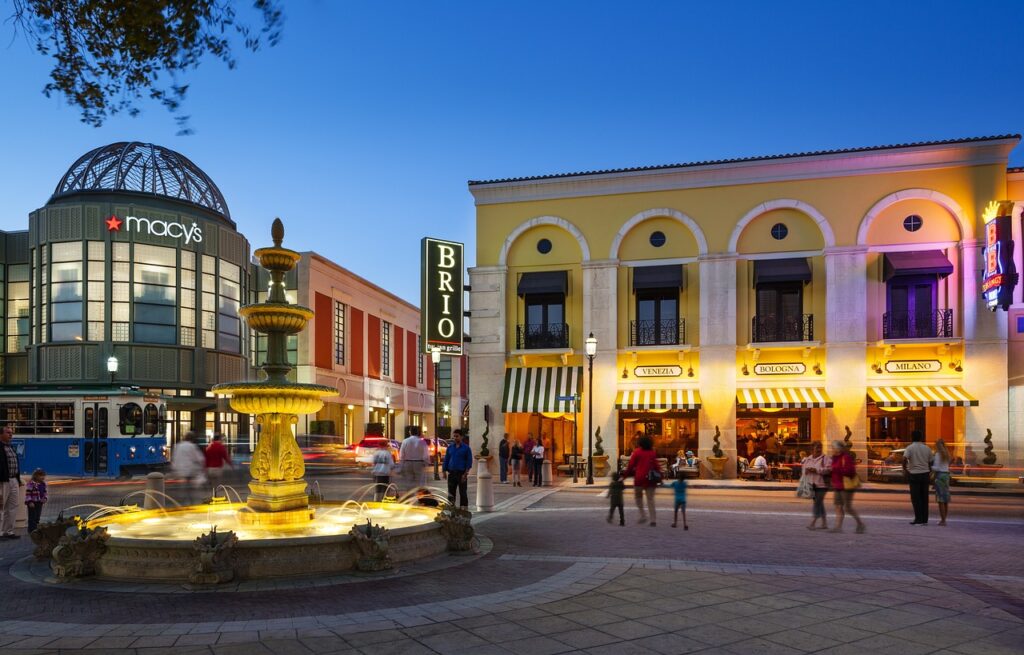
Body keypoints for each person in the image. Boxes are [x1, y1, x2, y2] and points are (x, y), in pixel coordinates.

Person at [623, 434, 661, 526]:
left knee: (638, 497)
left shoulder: (637, 452)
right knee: (650, 500)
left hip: (639, 478)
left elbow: (630, 466)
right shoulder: (652, 453)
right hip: (650, 479)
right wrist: (660, 477)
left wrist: (624, 476)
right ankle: (653, 520)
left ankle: (643, 515)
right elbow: (656, 466)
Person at [829, 440, 865, 534]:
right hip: (837, 485)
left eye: (833, 448)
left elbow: (850, 471)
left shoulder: (846, 457)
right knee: (838, 506)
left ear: (838, 449)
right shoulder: (834, 458)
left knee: (847, 507)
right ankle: (838, 527)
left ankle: (860, 524)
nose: (832, 449)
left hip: (846, 486)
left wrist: (836, 469)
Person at [903, 430, 932, 525]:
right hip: (925, 474)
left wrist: (906, 470)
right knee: (924, 497)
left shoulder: (910, 448)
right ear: (921, 437)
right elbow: (931, 461)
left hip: (914, 474)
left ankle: (918, 518)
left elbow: (904, 459)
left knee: (915, 498)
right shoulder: (927, 448)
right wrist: (929, 471)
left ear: (912, 437)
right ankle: (925, 519)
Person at [801, 442, 830, 530]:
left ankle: (813, 522)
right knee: (819, 503)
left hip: (823, 484)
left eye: (820, 447)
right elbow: (803, 471)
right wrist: (806, 471)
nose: (819, 449)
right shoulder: (808, 459)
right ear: (812, 449)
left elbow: (829, 469)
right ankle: (824, 523)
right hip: (812, 485)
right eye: (817, 447)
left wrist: (816, 470)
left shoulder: (825, 458)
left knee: (817, 502)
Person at [171, 431, 205, 505]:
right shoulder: (192, 446)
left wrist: (175, 470)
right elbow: (200, 459)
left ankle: (183, 504)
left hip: (180, 472)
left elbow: (175, 458)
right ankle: (193, 505)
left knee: (183, 491)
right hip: (190, 472)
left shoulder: (178, 445)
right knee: (193, 492)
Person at [1, 426, 23, 539]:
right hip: (3, 481)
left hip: (13, 479)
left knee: (13, 506)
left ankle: (8, 531)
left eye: (11, 433)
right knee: (1, 506)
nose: (11, 435)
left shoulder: (11, 447)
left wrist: (18, 480)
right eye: (8, 433)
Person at [442, 429, 473, 508]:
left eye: (457, 436)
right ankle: (451, 509)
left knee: (463, 492)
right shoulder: (450, 447)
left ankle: (463, 510)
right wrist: (444, 471)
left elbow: (469, 462)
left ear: (461, 437)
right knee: (451, 493)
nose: (455, 438)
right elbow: (446, 459)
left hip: (461, 474)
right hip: (452, 473)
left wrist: (465, 473)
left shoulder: (466, 448)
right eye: (454, 436)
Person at [932, 438, 952, 526]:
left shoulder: (938, 454)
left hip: (940, 476)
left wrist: (930, 467)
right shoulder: (947, 454)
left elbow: (936, 468)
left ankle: (943, 521)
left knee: (940, 499)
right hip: (946, 476)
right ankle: (944, 519)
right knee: (945, 499)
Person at [24, 468, 47, 533]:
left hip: (39, 502)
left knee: (37, 516)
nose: (43, 477)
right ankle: (31, 530)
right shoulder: (31, 484)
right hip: (32, 503)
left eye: (43, 475)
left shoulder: (43, 484)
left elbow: (45, 492)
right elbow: (28, 493)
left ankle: (36, 528)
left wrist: (45, 498)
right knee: (32, 517)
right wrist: (30, 502)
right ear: (36, 476)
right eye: (41, 475)